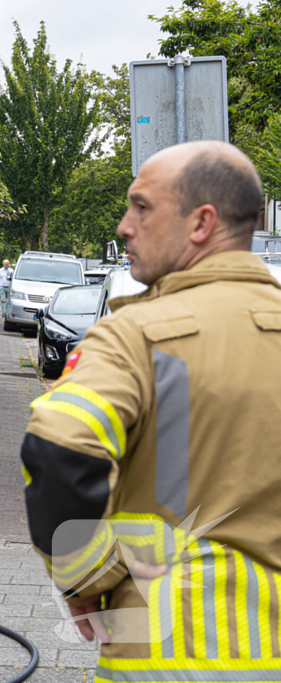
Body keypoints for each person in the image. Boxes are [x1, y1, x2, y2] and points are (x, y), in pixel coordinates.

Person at [19, 141, 281, 682]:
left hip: (167, 657)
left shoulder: (137, 335)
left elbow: (59, 447)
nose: (124, 225)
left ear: (201, 222)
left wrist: (84, 578)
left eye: (141, 206)